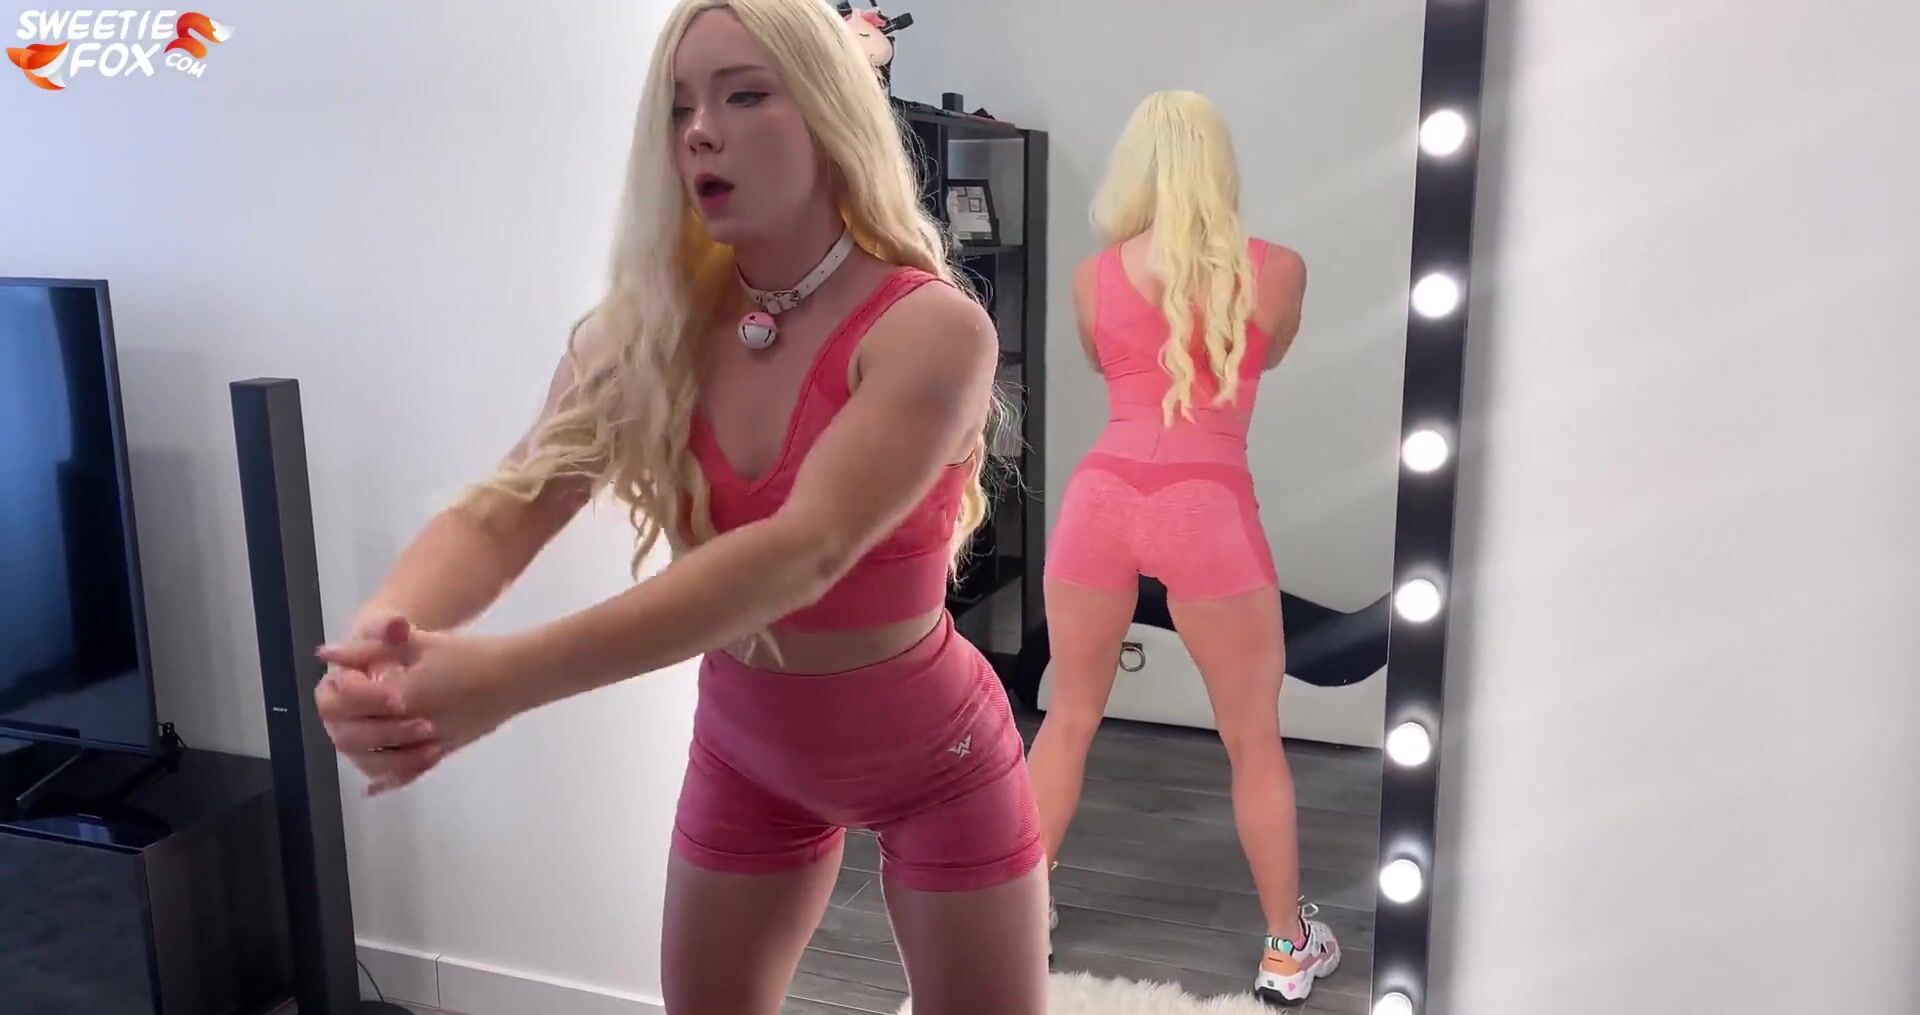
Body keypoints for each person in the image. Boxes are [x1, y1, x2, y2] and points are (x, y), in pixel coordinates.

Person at [308, 2, 1050, 1012]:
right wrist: (378, 643)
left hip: (937, 758)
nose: (700, 130)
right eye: (677, 106)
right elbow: (508, 507)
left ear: (828, 112)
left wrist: (504, 680)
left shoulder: (931, 329)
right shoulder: (645, 333)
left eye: (745, 95)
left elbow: (801, 551)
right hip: (747, 750)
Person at [1026, 89, 1339, 1006]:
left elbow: (1108, 362)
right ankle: (1286, 948)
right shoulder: (1278, 270)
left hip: (1102, 495)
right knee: (1252, 739)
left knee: (1067, 718)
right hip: (1206, 502)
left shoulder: (1092, 278)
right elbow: (1265, 354)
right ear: (1220, 166)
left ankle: (1021, 912)